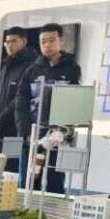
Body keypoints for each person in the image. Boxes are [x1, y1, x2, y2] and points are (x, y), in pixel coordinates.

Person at [15, 23, 82, 194]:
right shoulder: (31, 70)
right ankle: (28, 211)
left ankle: (55, 212)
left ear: (61, 41)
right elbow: (21, 103)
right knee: (30, 181)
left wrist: (64, 132)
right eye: (43, 41)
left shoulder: (73, 69)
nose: (46, 45)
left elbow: (75, 102)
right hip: (34, 136)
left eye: (51, 40)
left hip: (58, 137)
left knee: (55, 182)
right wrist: (26, 132)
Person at [0, 26, 37, 177]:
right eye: (7, 42)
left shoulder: (30, 66)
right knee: (1, 166)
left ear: (24, 42)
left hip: (17, 126)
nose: (9, 45)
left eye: (14, 41)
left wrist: (1, 119)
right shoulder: (7, 65)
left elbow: (19, 98)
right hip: (2, 126)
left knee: (11, 169)